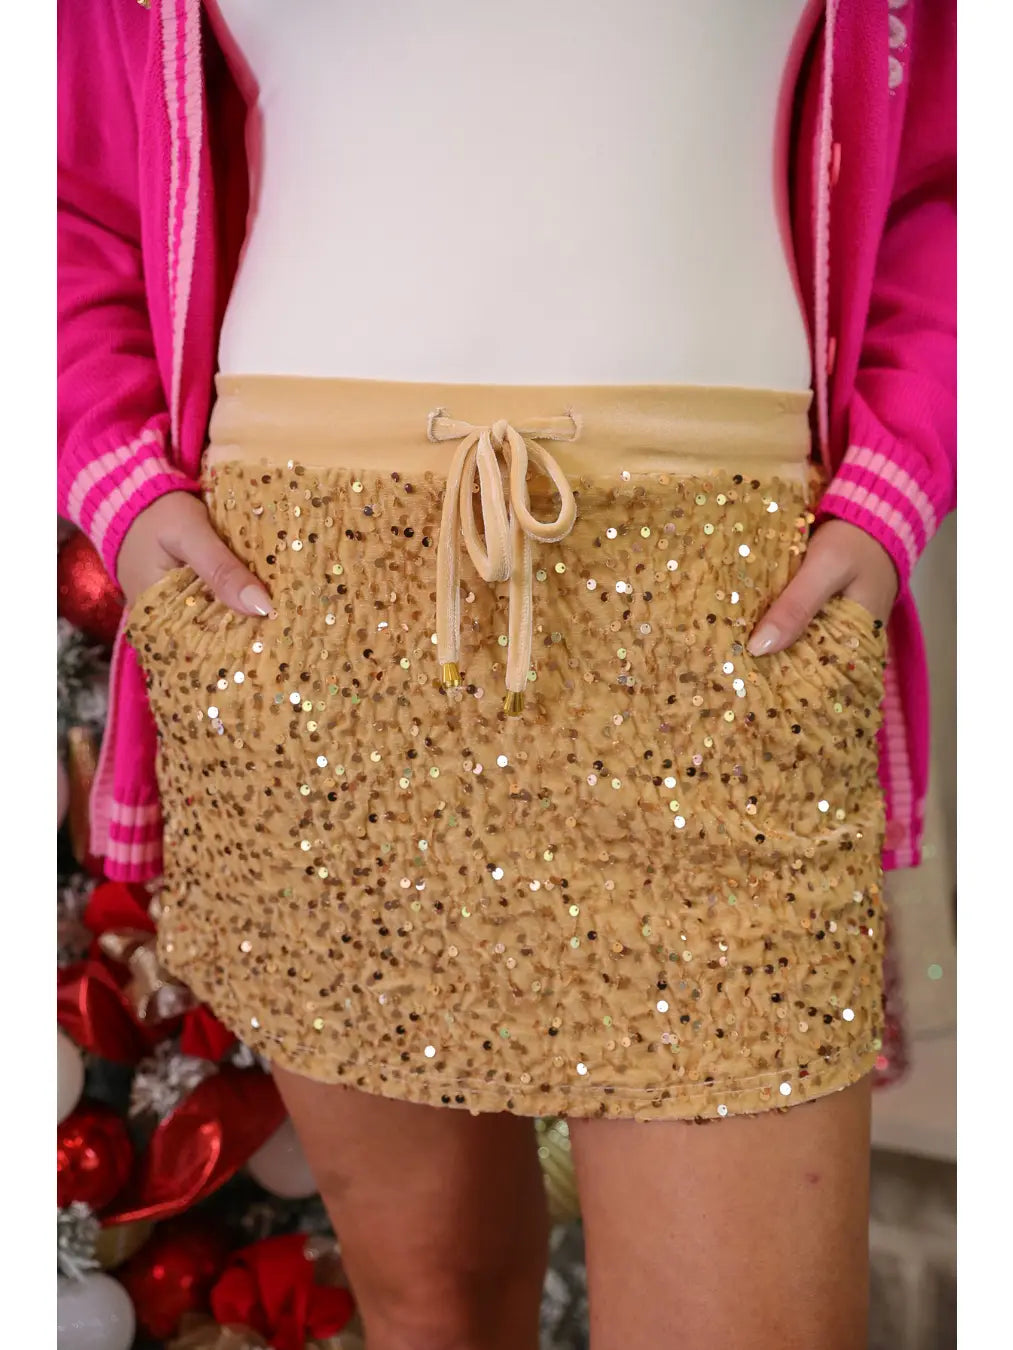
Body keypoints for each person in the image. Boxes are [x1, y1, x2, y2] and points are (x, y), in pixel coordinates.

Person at [58, 2, 956, 1346]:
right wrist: (122, 490)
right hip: (302, 618)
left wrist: (896, 487)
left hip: (722, 620)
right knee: (433, 1305)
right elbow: (63, 194)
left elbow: (959, 178)